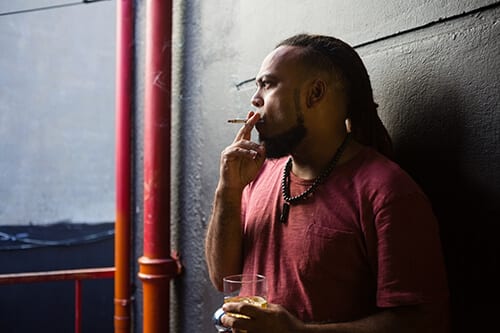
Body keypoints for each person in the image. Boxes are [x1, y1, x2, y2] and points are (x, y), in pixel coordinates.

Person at [205, 34, 449, 332]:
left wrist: (298, 332)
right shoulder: (258, 174)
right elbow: (223, 276)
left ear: (315, 93)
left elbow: (424, 323)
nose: (255, 99)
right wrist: (227, 191)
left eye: (267, 85)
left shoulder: (388, 193)